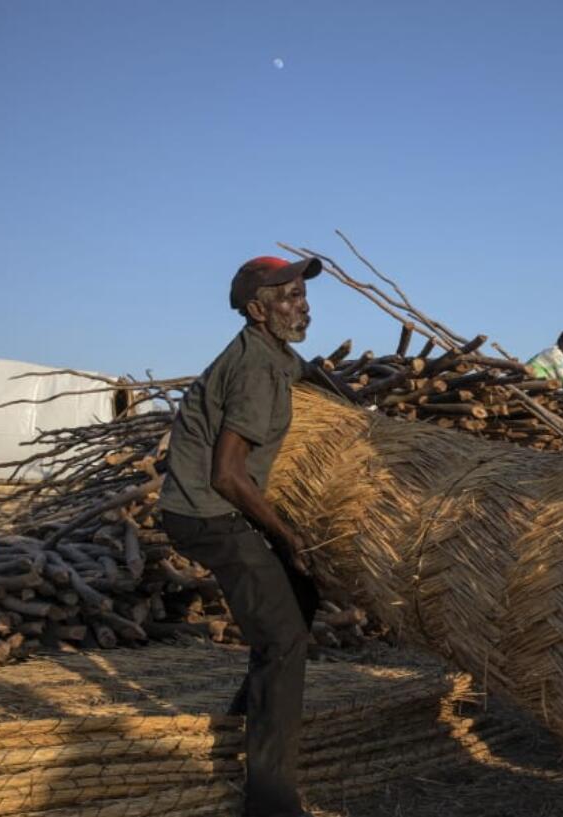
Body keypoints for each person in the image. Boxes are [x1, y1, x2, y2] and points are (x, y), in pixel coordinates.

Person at [157, 255, 323, 817]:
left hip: (217, 506)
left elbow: (307, 371)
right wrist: (288, 533)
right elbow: (227, 474)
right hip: (205, 512)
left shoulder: (274, 353)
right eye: (289, 296)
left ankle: (244, 718)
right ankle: (271, 803)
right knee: (284, 640)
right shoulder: (252, 370)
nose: (302, 304)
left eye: (302, 293)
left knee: (300, 595)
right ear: (257, 310)